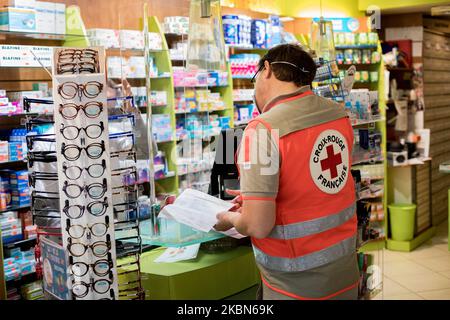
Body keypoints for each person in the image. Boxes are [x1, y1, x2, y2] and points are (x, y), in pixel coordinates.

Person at [214, 44, 360, 300]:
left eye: (255, 77)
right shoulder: (338, 115)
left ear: (267, 69)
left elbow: (257, 225)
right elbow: (312, 186)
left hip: (293, 286)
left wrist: (230, 218)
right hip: (344, 275)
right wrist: (255, 196)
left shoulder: (262, 130)